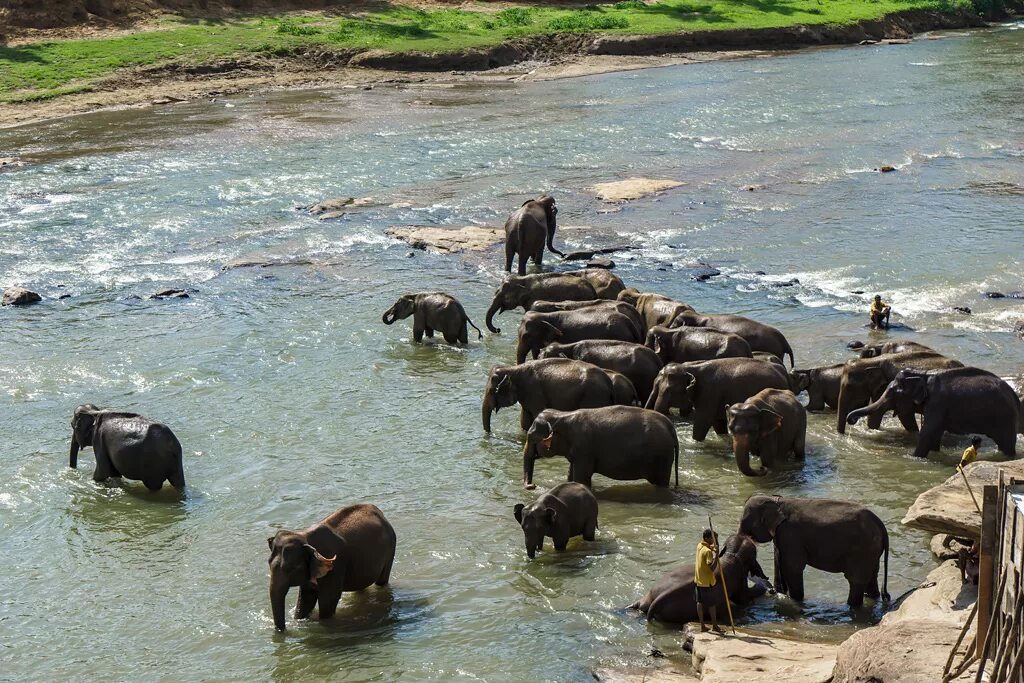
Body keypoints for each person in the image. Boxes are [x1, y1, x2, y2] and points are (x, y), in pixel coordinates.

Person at [694, 529, 722, 633]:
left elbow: (709, 548)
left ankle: (702, 626)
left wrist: (715, 545)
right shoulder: (708, 552)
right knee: (712, 604)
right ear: (707, 538)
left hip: (698, 580)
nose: (714, 541)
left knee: (699, 602)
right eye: (713, 539)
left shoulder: (699, 546)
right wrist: (717, 556)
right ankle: (714, 626)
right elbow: (712, 568)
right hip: (707, 582)